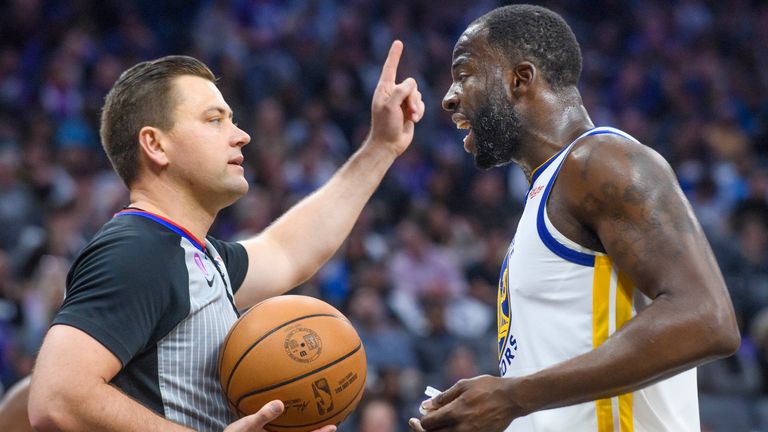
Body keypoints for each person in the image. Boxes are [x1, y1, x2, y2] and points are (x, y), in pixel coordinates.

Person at [26, 40, 424, 432]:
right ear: (155, 144)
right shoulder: (136, 249)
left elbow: (288, 251)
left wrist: (381, 147)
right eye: (215, 120)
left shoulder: (194, 254)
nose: (240, 135)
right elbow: (58, 398)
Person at [409, 5, 740, 432]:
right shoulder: (546, 194)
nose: (449, 96)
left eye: (464, 74)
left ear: (520, 79)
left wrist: (512, 396)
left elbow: (708, 318)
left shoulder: (600, 161)